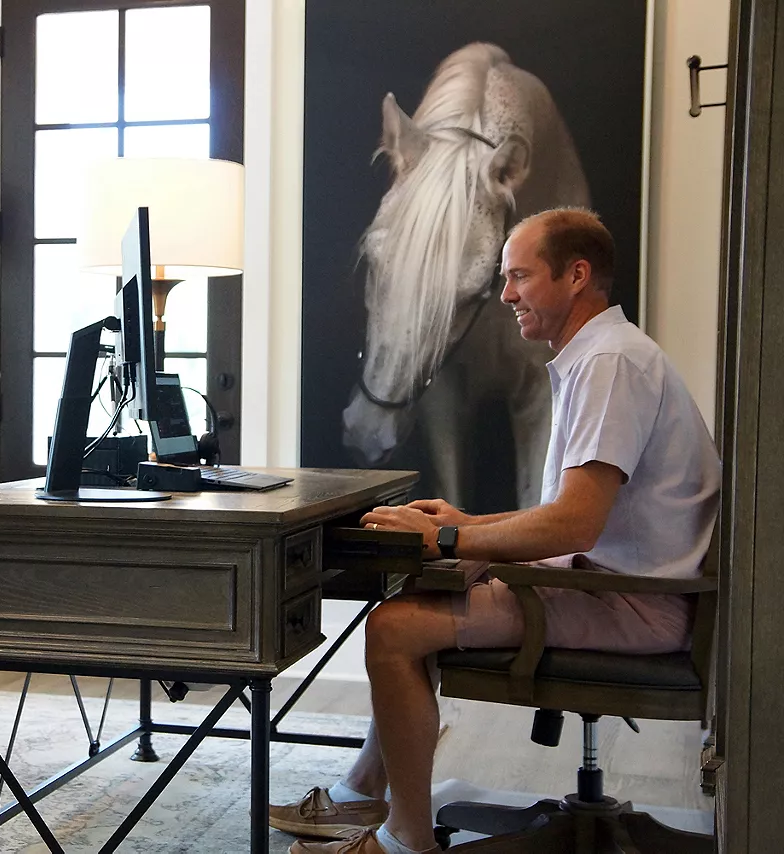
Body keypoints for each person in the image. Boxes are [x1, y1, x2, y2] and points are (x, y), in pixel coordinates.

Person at [271, 208, 721, 854]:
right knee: (413, 605)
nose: (505, 294)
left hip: (632, 604)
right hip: (621, 588)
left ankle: (404, 841)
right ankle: (361, 796)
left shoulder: (608, 365)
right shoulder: (603, 355)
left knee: (392, 629)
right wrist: (465, 524)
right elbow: (574, 515)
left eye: (519, 277)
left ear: (576, 276)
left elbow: (577, 523)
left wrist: (450, 542)